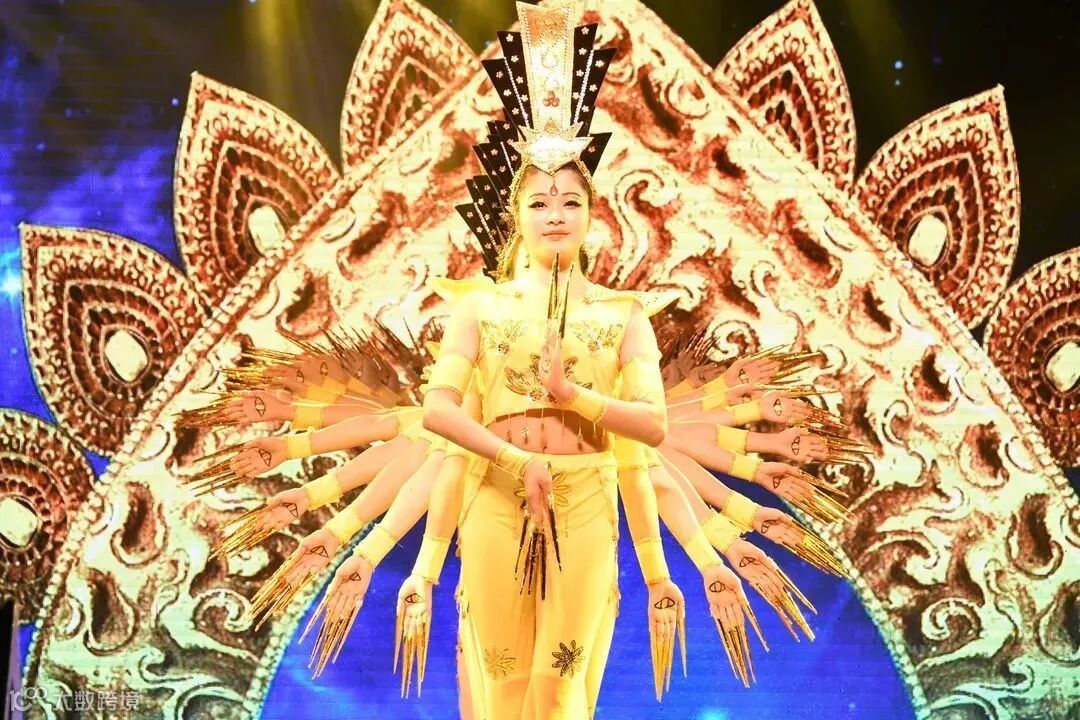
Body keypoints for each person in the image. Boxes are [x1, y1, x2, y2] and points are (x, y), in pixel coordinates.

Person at [179, 2, 866, 717]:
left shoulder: (624, 315)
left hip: (586, 498)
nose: (556, 214)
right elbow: (440, 414)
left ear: (593, 215)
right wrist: (455, 531)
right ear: (517, 215)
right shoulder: (479, 308)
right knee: (502, 682)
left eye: (570, 201)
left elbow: (652, 432)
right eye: (540, 203)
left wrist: (577, 402)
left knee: (561, 689)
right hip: (497, 497)